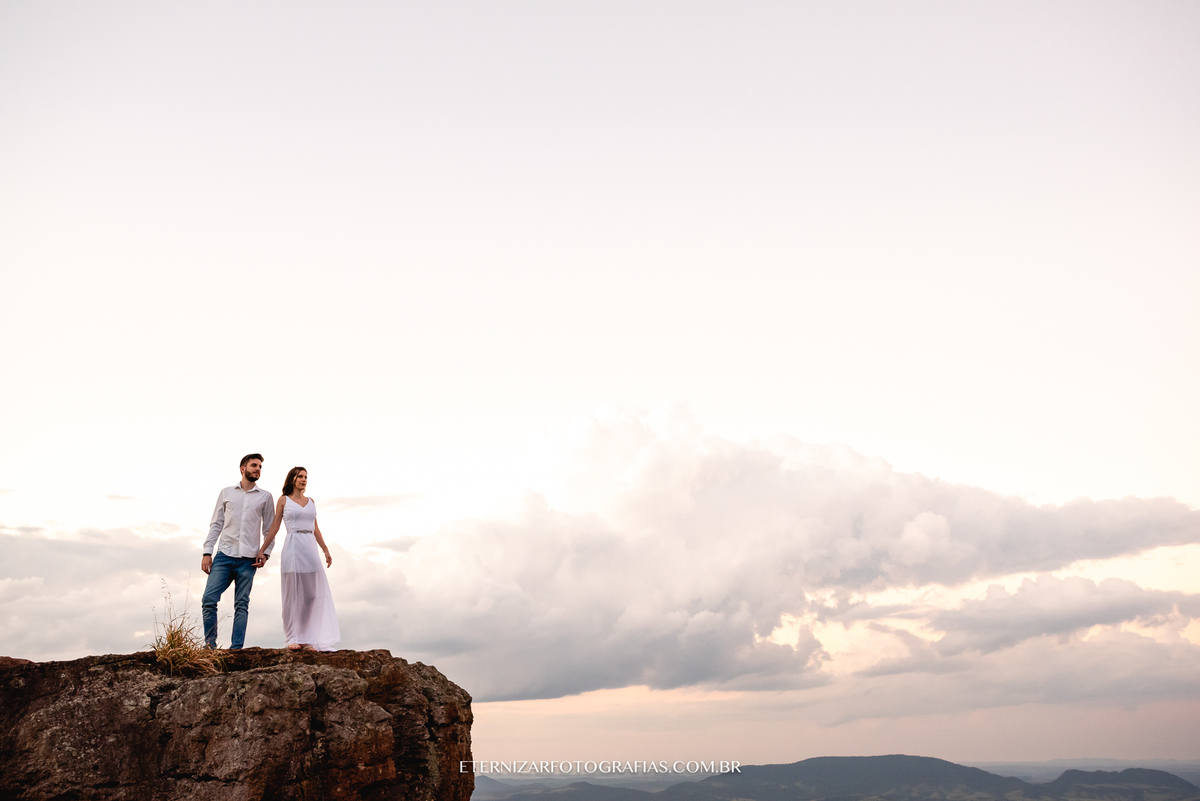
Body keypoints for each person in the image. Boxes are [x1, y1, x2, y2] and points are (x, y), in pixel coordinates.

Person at [257, 466, 340, 651]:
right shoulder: (283, 500)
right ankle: (292, 637)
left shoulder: (311, 501)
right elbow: (275, 527)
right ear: (292, 479)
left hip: (310, 547)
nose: (303, 480)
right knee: (292, 595)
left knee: (311, 595)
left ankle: (307, 637)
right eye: (300, 476)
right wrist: (262, 550)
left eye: (305, 477)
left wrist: (325, 549)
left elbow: (315, 528)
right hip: (293, 546)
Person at [201, 453, 275, 650]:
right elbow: (216, 524)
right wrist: (207, 552)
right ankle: (209, 646)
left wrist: (265, 553)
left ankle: (236, 650)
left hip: (248, 559)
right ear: (242, 469)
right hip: (224, 555)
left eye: (260, 466)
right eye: (254, 465)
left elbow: (269, 529)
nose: (257, 469)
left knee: (241, 604)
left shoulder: (266, 497)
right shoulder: (226, 493)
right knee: (209, 599)